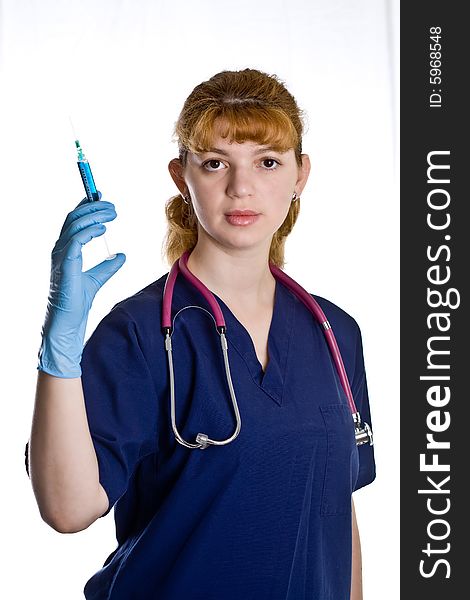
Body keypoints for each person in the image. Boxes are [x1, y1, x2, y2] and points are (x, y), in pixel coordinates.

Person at [25, 68, 376, 600]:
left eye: (267, 162)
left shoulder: (334, 333)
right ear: (180, 175)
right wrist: (59, 352)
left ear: (300, 174)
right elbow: (69, 509)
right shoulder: (140, 333)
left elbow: (334, 506)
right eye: (215, 163)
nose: (241, 186)